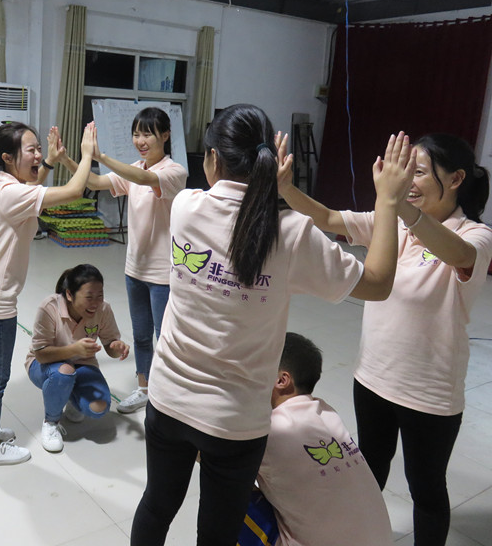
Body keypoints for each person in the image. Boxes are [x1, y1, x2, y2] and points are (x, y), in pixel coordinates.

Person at [130, 103, 415, 546]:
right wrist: (388, 200)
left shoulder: (186, 206)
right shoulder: (292, 234)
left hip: (168, 397)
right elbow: (377, 284)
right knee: (217, 532)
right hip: (235, 420)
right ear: (271, 159)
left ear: (212, 159)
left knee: (157, 504)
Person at [277, 132, 492, 545]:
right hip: (373, 378)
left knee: (426, 488)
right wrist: (287, 190)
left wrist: (397, 205)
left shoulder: (474, 234)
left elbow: (458, 254)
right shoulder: (391, 223)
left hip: (429, 394)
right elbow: (329, 218)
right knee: (366, 472)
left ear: (456, 179)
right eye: (405, 170)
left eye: (419, 172)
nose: (407, 180)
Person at [0, 121, 95, 467]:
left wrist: (48, 162)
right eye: (31, 150)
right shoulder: (11, 193)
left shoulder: (0, 186)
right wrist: (86, 155)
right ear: (8, 157)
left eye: (38, 149)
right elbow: (74, 191)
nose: (37, 155)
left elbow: (33, 189)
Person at [56, 107, 188, 413]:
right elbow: (95, 182)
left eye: (147, 134)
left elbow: (144, 178)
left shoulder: (174, 171)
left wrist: (101, 156)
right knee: (140, 336)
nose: (140, 141)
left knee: (165, 338)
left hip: (163, 274)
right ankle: (144, 388)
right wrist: (66, 159)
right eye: (136, 134)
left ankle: (169, 396)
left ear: (165, 135)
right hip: (135, 270)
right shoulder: (133, 168)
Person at [256, 332, 394, 546]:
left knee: (232, 492)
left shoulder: (271, 432)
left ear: (281, 380)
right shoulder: (327, 412)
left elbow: (209, 452)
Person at [25, 264, 130, 452]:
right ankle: (51, 422)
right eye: (89, 297)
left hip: (83, 364)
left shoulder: (103, 309)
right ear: (69, 295)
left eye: (99, 296)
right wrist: (74, 349)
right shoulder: (49, 307)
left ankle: (71, 399)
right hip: (45, 365)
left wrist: (116, 347)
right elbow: (40, 354)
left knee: (98, 408)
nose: (95, 303)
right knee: (64, 372)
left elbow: (110, 346)